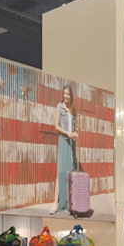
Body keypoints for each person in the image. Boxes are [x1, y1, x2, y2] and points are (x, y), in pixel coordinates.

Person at [50, 84, 78, 215]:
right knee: (60, 172)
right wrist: (68, 133)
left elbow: (75, 128)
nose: (66, 96)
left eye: (68, 94)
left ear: (71, 96)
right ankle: (55, 203)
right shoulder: (59, 107)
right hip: (63, 140)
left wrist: (75, 133)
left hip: (72, 143)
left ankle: (69, 204)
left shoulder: (73, 110)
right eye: (65, 93)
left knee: (69, 174)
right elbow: (56, 126)